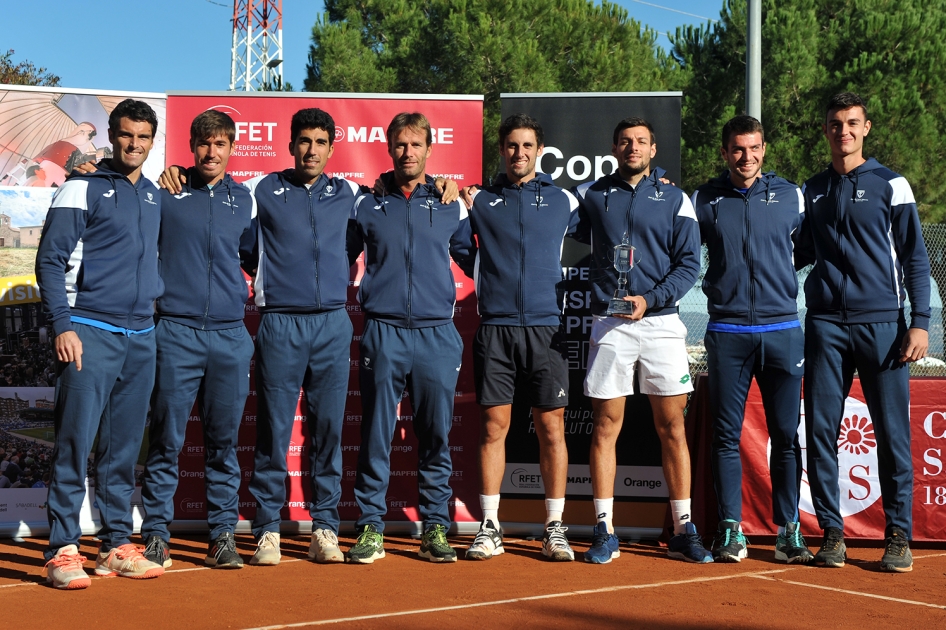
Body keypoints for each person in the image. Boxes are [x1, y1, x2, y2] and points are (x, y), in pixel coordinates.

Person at [36, 99, 166, 589]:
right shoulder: (80, 186)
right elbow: (50, 261)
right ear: (112, 135)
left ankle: (113, 545)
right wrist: (62, 325)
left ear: (153, 142)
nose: (134, 144)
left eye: (144, 137)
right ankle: (61, 549)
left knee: (122, 449)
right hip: (88, 331)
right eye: (127, 135)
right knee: (75, 442)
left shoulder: (154, 194)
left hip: (141, 335)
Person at [801, 92, 930, 573]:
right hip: (826, 325)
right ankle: (832, 534)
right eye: (835, 124)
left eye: (852, 123)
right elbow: (790, 250)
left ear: (866, 128)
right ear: (826, 130)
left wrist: (920, 322)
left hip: (884, 325)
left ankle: (898, 535)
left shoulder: (891, 184)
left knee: (893, 435)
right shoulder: (810, 189)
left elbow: (915, 257)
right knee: (819, 431)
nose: (844, 132)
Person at [574, 117, 711, 564]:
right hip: (610, 324)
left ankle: (683, 528)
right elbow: (556, 227)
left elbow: (689, 264)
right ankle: (603, 529)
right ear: (614, 148)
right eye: (625, 141)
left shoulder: (676, 198)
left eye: (641, 142)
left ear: (653, 150)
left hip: (661, 323)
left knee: (672, 426)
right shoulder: (592, 196)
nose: (633, 147)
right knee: (605, 426)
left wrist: (649, 299)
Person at [346, 112, 476, 564]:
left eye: (415, 145)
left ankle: (435, 527)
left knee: (436, 435)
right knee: (376, 435)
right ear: (389, 148)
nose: (407, 152)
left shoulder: (449, 202)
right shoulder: (366, 203)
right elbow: (333, 254)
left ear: (428, 149)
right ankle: (370, 529)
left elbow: (475, 259)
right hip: (382, 331)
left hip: (437, 334)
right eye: (400, 145)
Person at [137, 110, 256, 570]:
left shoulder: (244, 199)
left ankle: (222, 534)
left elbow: (253, 256)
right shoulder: (166, 192)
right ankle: (156, 536)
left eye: (221, 144)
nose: (212, 152)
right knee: (166, 440)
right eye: (204, 143)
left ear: (231, 148)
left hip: (229, 334)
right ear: (192, 145)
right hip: (176, 332)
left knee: (223, 445)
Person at [691, 115, 812, 563]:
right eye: (738, 149)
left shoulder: (791, 195)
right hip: (727, 332)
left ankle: (789, 531)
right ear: (724, 153)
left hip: (783, 331)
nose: (747, 157)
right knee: (725, 437)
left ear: (764, 149)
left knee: (785, 435)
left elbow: (807, 247)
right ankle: (729, 529)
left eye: (754, 148)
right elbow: (683, 248)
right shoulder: (704, 199)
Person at [463, 114, 579, 562]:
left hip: (547, 328)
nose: (519, 153)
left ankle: (554, 527)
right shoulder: (481, 200)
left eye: (527, 146)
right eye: (512, 146)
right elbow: (461, 245)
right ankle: (489, 526)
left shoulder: (564, 200)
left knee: (551, 428)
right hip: (495, 327)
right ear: (501, 149)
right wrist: (488, 274)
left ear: (539, 150)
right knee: (495, 428)